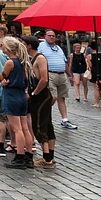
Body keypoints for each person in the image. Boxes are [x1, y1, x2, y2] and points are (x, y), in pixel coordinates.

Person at [0, 36, 32, 169]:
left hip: (11, 95)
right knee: (25, 128)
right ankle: (29, 155)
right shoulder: (23, 61)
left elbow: (1, 78)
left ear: (7, 48)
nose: (1, 48)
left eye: (2, 45)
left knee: (17, 128)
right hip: (21, 95)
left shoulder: (10, 62)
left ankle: (19, 156)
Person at [23, 36, 57, 169]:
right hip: (37, 95)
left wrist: (34, 93)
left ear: (29, 46)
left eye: (24, 44)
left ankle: (47, 157)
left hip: (41, 96)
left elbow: (44, 79)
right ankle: (48, 156)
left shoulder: (40, 58)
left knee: (40, 126)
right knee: (46, 124)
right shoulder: (31, 59)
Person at [39, 29, 76, 130]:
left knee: (62, 97)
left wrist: (70, 76)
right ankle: (44, 115)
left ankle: (65, 120)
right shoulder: (41, 46)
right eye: (49, 35)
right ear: (45, 36)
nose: (51, 37)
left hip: (61, 75)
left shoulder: (58, 48)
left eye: (53, 36)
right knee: (52, 97)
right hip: (50, 74)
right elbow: (37, 60)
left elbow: (65, 62)